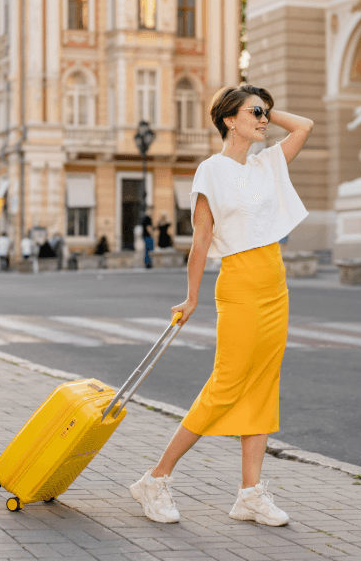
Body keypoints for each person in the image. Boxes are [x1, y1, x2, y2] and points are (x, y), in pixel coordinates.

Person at [129, 85, 313, 526]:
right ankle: (155, 479)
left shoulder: (267, 163)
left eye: (265, 112)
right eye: (255, 112)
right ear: (230, 119)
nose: (264, 119)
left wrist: (265, 110)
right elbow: (202, 239)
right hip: (239, 284)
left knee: (264, 385)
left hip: (275, 284)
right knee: (226, 385)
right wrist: (191, 296)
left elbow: (304, 126)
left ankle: (250, 493)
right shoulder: (211, 171)